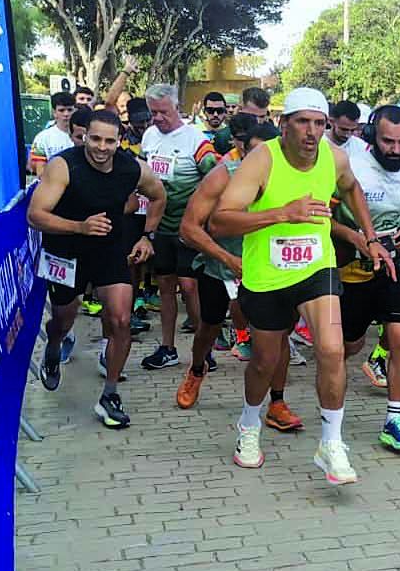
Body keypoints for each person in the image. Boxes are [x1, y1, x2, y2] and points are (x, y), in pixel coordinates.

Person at [210, 87, 393, 481]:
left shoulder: (335, 157)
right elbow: (220, 220)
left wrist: (370, 235)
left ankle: (331, 444)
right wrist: (283, 213)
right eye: (302, 122)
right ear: (283, 125)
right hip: (267, 275)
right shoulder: (261, 162)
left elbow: (351, 187)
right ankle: (249, 424)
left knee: (330, 347)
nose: (312, 132)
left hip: (316, 267)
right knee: (264, 361)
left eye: (318, 123)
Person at [29, 110, 166, 428]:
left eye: (109, 140)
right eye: (95, 139)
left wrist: (147, 235)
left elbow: (159, 195)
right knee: (63, 319)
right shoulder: (63, 166)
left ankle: (110, 394)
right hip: (65, 250)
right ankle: (52, 347)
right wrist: (79, 226)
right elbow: (36, 214)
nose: (102, 147)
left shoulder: (132, 168)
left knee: (120, 319)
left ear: (119, 141)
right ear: (83, 136)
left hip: (108, 249)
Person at [175, 122, 303, 432]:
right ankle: (196, 369)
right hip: (221, 269)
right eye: (253, 150)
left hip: (272, 268)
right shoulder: (223, 175)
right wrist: (227, 258)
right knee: (210, 325)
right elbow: (189, 227)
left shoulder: (294, 175)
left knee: (277, 335)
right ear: (242, 148)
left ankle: (277, 402)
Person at [326, 105, 400, 452]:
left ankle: (394, 419)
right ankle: (330, 411)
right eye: (389, 142)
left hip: (393, 263)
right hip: (351, 266)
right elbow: (322, 216)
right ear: (370, 136)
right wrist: (354, 237)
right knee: (348, 346)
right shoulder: (350, 168)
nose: (397, 150)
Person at [139, 84, 220, 370]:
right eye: (153, 112)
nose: (157, 118)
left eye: (163, 111)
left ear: (177, 108)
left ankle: (204, 346)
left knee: (190, 287)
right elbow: (142, 174)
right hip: (161, 226)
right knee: (165, 286)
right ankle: (168, 347)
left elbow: (216, 178)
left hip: (190, 228)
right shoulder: (149, 136)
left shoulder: (195, 140)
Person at [30, 92, 77, 176]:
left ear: (75, 110)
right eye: (61, 110)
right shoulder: (42, 138)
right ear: (54, 112)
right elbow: (40, 171)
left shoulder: (84, 136)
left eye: (70, 110)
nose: (66, 114)